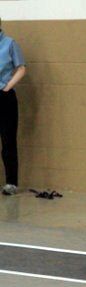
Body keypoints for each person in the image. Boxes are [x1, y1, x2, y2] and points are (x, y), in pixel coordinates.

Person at [0, 22, 26, 196]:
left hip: (4, 96)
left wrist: (8, 86)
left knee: (8, 140)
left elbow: (21, 68)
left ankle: (11, 182)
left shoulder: (9, 43)